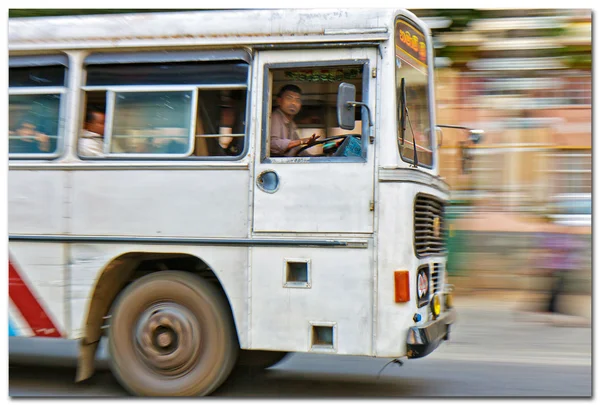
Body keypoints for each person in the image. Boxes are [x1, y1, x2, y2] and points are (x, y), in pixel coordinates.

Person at [269, 85, 319, 157]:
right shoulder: (275, 117)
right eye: (289, 98)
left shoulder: (291, 123)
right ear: (279, 101)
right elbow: (271, 144)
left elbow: (297, 149)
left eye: (297, 100)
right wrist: (301, 141)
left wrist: (314, 158)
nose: (293, 103)